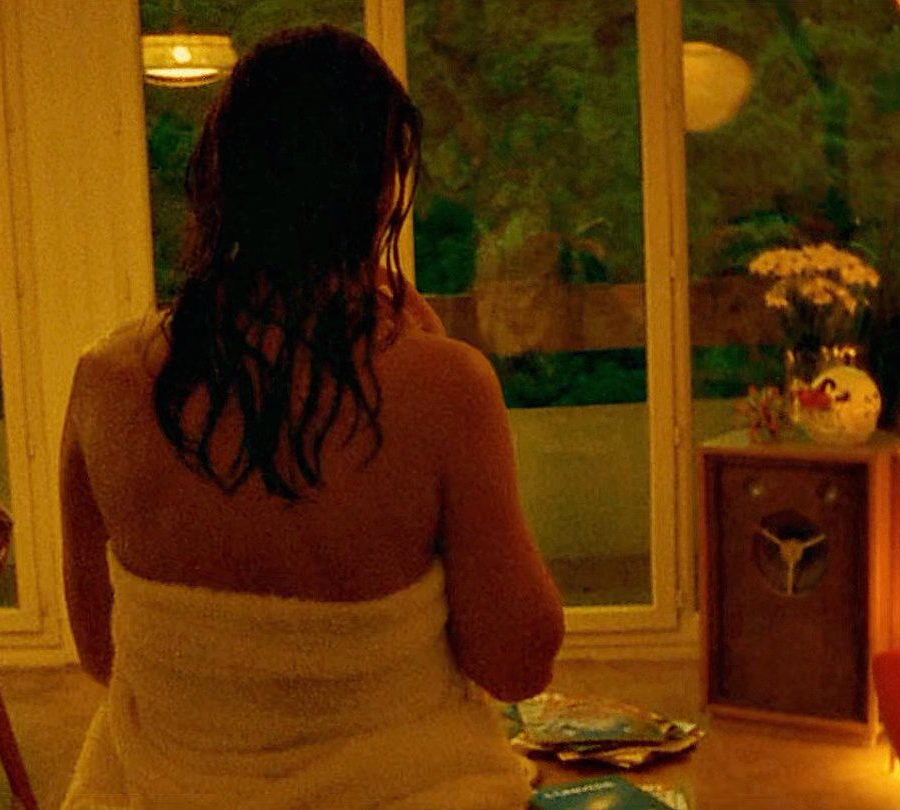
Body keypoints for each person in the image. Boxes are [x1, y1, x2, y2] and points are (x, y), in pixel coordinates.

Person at [57, 25, 565, 810]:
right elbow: (519, 663)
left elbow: (103, 652)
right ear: (381, 188)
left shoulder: (104, 381)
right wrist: (431, 352)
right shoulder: (443, 388)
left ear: (220, 179)